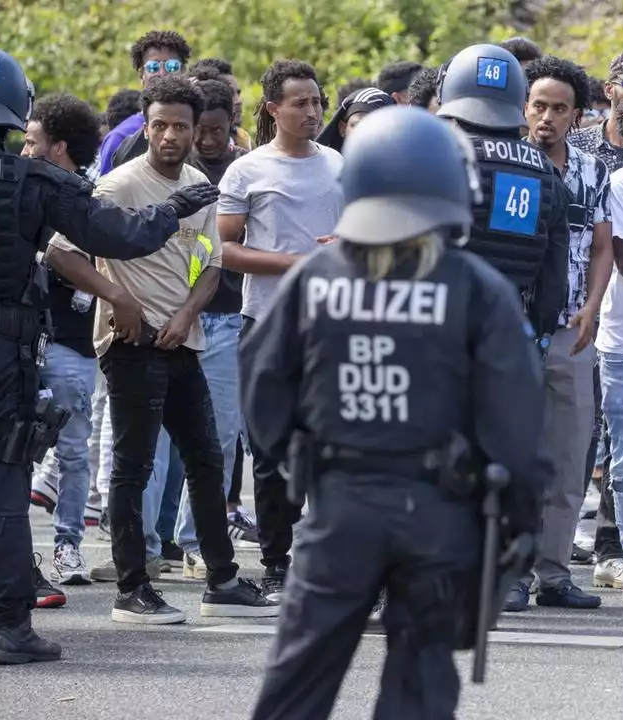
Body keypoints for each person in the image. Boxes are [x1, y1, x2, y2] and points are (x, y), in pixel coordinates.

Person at [244, 105, 546, 719]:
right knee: (420, 681)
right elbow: (515, 427)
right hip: (439, 513)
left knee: (298, 679)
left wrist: (285, 468)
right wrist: (521, 525)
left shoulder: (314, 279)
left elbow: (262, 386)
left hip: (338, 507)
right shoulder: (475, 287)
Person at [0, 47, 219, 663]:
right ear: (17, 105)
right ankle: (11, 626)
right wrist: (171, 210)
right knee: (5, 483)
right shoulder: (32, 180)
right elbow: (116, 235)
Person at [435, 43, 570, 343]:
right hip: (507, 330)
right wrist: (537, 331)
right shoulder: (545, 171)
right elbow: (554, 276)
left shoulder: (442, 160)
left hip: (441, 328)